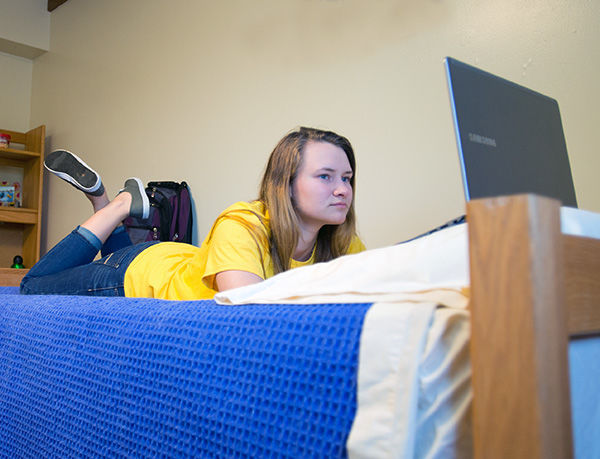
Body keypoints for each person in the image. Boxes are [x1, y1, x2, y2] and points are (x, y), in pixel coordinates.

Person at [20, 126, 366, 300]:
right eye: (325, 177)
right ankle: (121, 205)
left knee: (114, 255)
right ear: (286, 183)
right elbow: (249, 315)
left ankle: (101, 200)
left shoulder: (343, 242)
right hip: (142, 274)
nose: (342, 190)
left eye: (347, 179)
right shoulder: (244, 223)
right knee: (31, 285)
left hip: (171, 256)